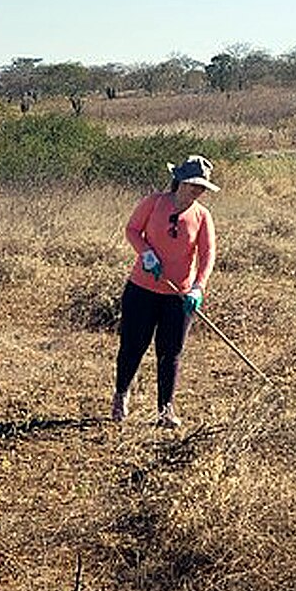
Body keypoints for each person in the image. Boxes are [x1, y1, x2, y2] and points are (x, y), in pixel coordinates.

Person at [111, 154, 219, 427]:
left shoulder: (202, 216)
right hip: (142, 290)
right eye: (194, 184)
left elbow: (207, 256)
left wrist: (198, 288)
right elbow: (133, 230)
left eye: (202, 187)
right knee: (133, 345)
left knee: (170, 352)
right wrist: (146, 253)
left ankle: (165, 410)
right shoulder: (154, 202)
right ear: (180, 181)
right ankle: (121, 394)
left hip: (179, 296)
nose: (198, 191)